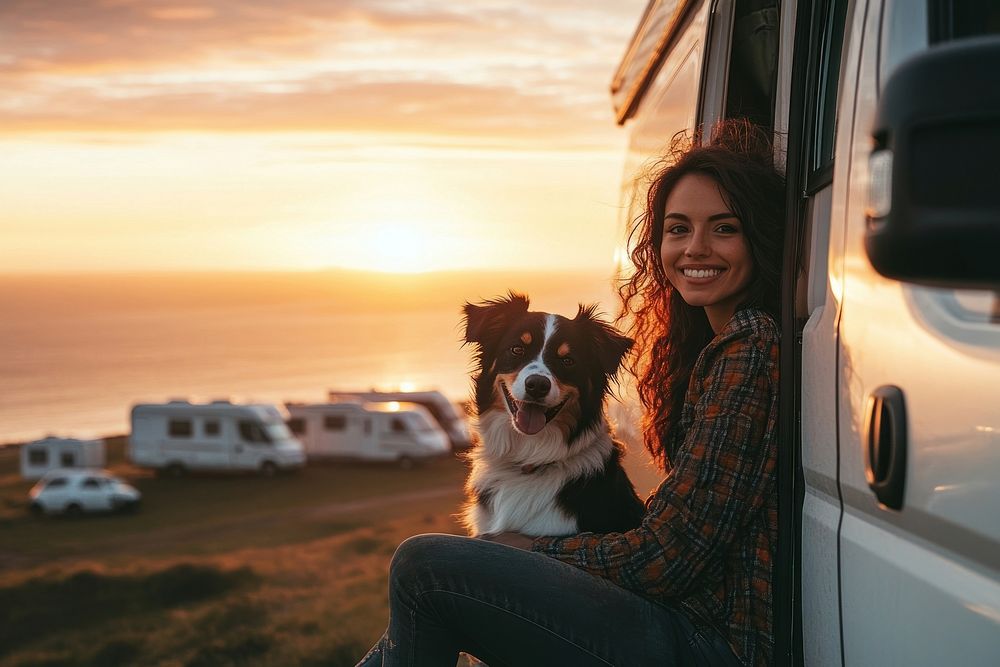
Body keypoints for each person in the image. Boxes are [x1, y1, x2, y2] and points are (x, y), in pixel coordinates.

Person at [355, 119, 785, 667]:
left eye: (723, 228)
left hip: (707, 644)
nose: (695, 247)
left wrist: (534, 548)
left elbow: (671, 555)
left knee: (424, 566)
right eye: (678, 229)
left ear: (759, 237)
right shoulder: (718, 346)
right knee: (433, 587)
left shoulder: (747, 350)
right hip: (681, 624)